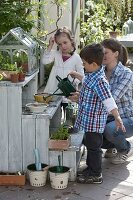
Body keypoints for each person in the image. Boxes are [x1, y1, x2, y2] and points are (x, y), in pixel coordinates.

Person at [68, 43, 125, 184]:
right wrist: (79, 94)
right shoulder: (91, 74)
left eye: (84, 63)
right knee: (90, 146)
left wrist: (117, 117)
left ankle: (96, 174)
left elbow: (109, 100)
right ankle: (90, 168)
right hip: (87, 120)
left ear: (93, 64)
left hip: (94, 123)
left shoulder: (100, 81)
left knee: (94, 148)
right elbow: (88, 91)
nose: (83, 65)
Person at [100, 38, 133, 164]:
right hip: (109, 117)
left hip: (127, 119)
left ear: (116, 53)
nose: (102, 56)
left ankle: (125, 148)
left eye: (106, 52)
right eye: (101, 53)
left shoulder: (126, 74)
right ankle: (113, 145)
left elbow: (112, 99)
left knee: (108, 129)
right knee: (91, 131)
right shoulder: (100, 72)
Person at [41, 26, 84, 118]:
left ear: (71, 41)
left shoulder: (76, 58)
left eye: (65, 42)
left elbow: (81, 75)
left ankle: (67, 128)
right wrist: (50, 46)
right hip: (53, 88)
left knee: (68, 113)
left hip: (68, 91)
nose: (63, 46)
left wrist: (74, 82)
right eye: (59, 44)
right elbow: (44, 61)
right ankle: (54, 130)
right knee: (53, 113)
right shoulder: (55, 54)